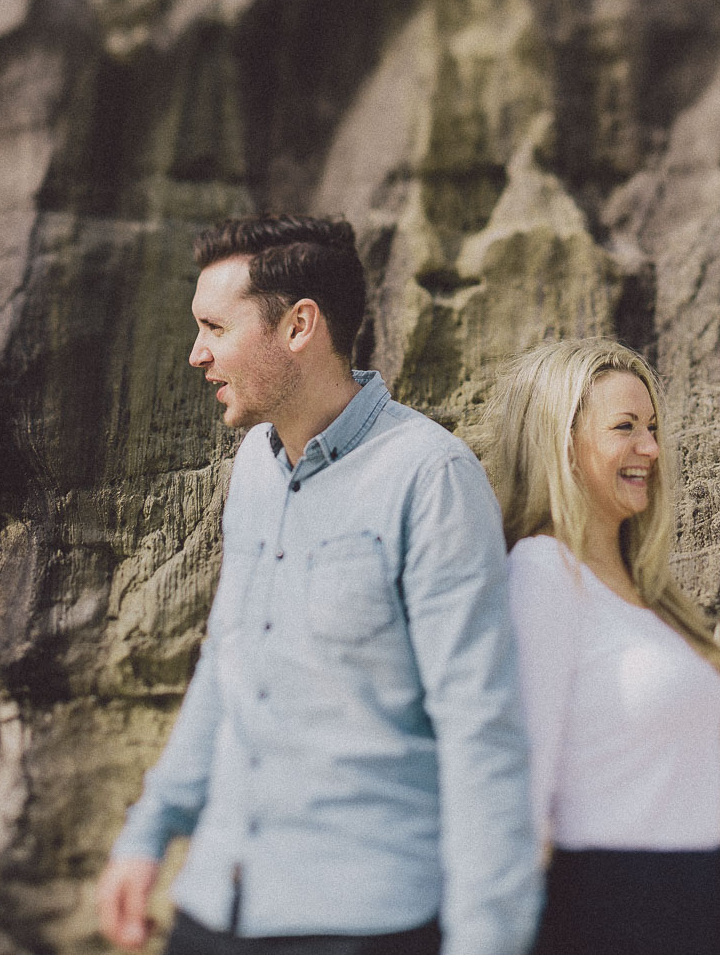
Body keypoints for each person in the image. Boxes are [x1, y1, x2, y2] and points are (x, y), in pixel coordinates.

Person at [96, 215, 540, 955]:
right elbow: (225, 665)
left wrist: (487, 939)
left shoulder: (431, 476)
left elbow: (480, 728)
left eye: (214, 327)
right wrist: (147, 834)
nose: (196, 354)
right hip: (216, 904)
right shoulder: (252, 472)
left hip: (359, 922)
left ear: (300, 326)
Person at [475, 337, 720, 955]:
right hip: (611, 908)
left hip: (692, 898)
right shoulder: (543, 573)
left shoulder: (649, 592)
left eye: (651, 427)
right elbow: (522, 787)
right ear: (561, 442)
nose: (650, 448)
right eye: (625, 427)